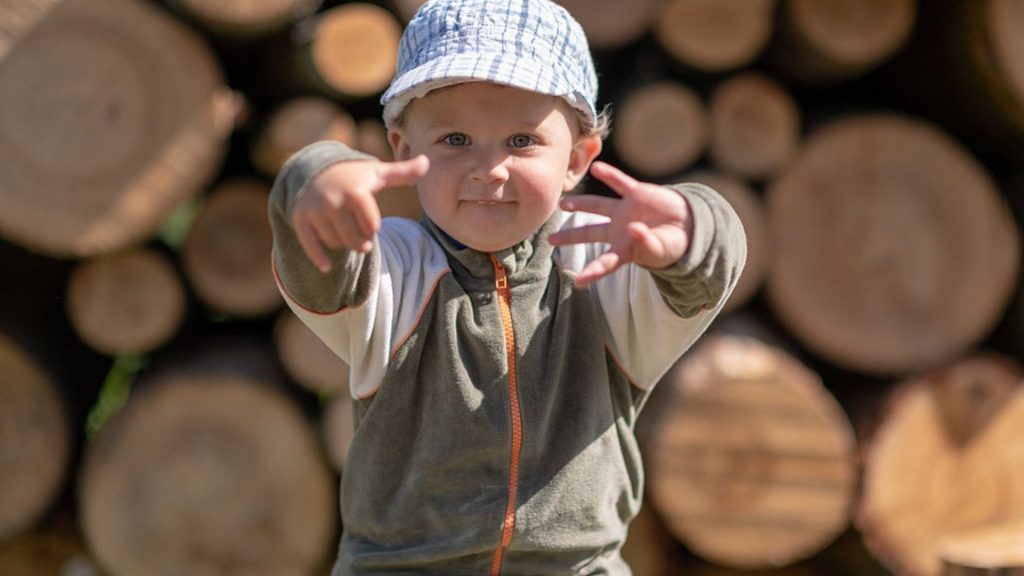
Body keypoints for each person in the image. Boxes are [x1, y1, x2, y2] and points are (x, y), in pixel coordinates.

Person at [268, 0, 746, 573]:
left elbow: (706, 271)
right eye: (454, 140)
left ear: (578, 159)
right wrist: (316, 179)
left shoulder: (607, 270)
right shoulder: (395, 270)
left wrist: (693, 227)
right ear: (402, 149)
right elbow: (319, 268)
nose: (488, 168)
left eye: (521, 141)